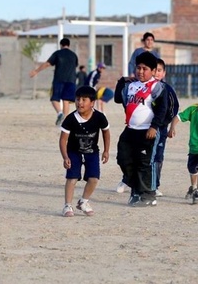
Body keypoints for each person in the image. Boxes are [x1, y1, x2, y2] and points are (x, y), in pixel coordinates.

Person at [115, 51, 168, 207]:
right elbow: (118, 99)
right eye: (138, 68)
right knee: (123, 159)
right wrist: (121, 81)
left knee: (145, 163)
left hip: (148, 131)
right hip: (130, 130)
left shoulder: (157, 87)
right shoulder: (131, 85)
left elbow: (162, 109)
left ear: (152, 70)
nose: (140, 71)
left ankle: (149, 194)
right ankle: (136, 190)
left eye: (145, 69)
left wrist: (154, 127)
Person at [59, 86, 110, 217]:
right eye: (77, 99)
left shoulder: (99, 117)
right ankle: (67, 206)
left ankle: (83, 202)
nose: (80, 102)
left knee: (93, 179)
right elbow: (63, 140)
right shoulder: (70, 119)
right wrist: (65, 157)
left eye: (84, 99)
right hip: (73, 152)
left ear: (92, 103)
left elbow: (106, 132)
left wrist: (106, 150)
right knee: (72, 178)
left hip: (92, 152)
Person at [168, 85, 198, 204]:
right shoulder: (193, 109)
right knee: (192, 169)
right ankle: (193, 188)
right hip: (194, 146)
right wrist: (172, 127)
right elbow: (178, 117)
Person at [29, 38, 79, 126]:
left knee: (54, 98)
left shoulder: (58, 53)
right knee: (66, 100)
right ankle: (65, 122)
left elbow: (48, 63)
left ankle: (60, 113)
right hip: (71, 80)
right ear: (69, 45)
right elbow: (74, 66)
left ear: (61, 45)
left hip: (59, 79)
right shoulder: (74, 55)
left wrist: (36, 71)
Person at [151, 58, 179, 197]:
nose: (156, 73)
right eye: (154, 70)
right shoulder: (145, 88)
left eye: (159, 70)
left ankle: (154, 185)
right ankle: (128, 180)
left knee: (158, 156)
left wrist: (169, 124)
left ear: (164, 73)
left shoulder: (167, 89)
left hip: (161, 129)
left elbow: (175, 108)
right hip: (144, 128)